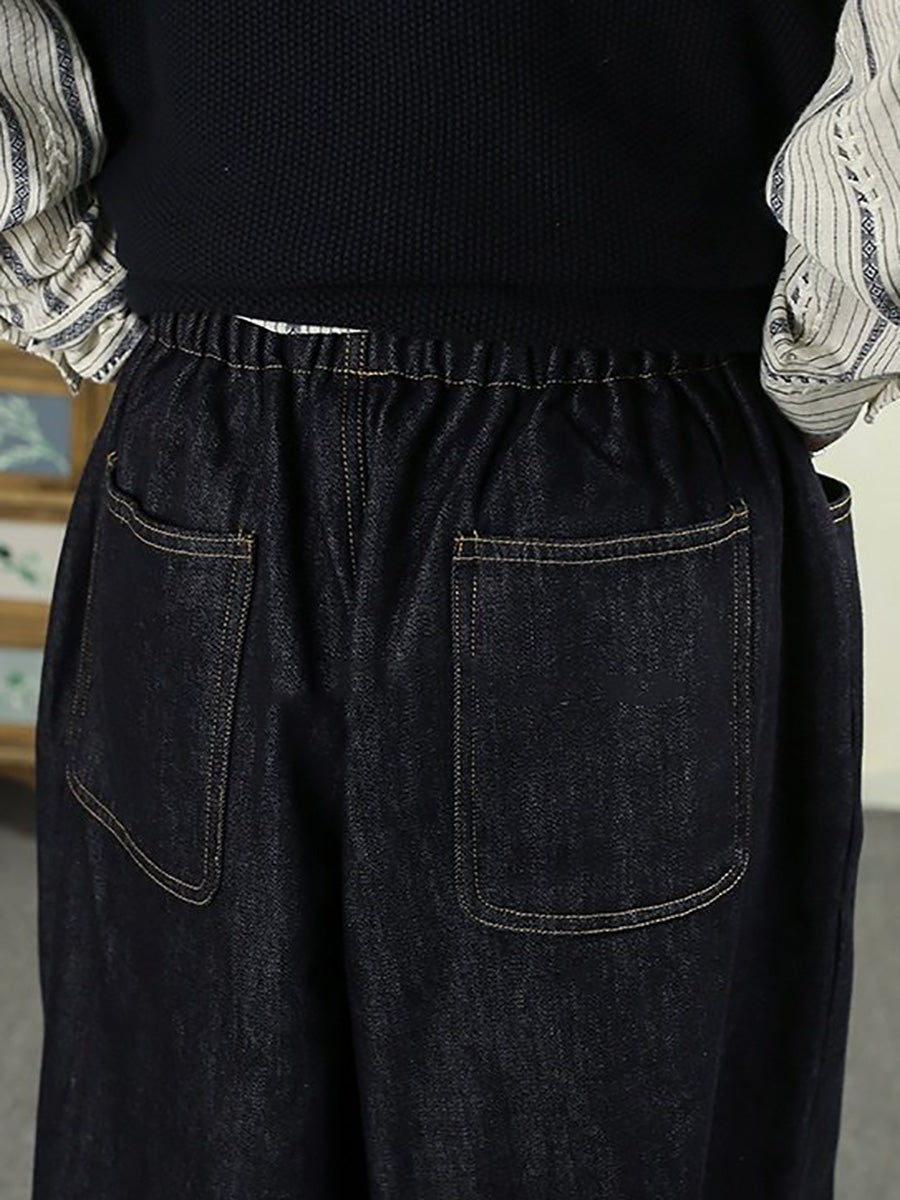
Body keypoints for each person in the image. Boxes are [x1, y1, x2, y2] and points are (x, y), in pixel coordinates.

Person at [0, 2, 889, 1197]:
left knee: (190, 1124)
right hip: (630, 433)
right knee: (605, 1133)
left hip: (217, 438)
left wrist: (88, 298)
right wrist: (819, 357)